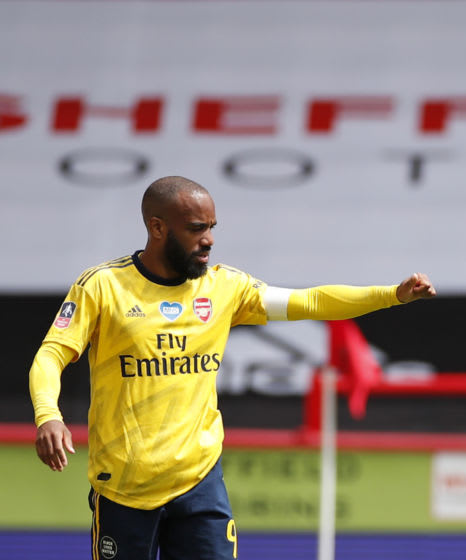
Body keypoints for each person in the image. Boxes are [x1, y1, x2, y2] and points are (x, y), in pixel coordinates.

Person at [29, 176, 436, 560]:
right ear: (157, 228)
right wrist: (49, 415)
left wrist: (391, 295)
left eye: (211, 227)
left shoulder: (225, 288)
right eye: (195, 228)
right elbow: (51, 354)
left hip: (199, 480)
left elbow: (310, 301)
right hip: (122, 486)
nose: (208, 240)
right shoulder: (102, 286)